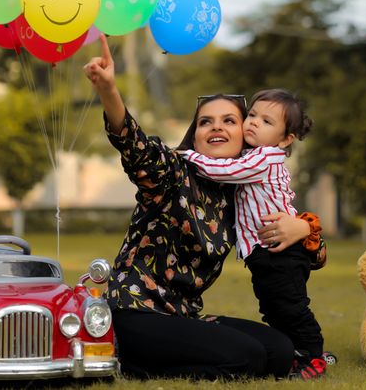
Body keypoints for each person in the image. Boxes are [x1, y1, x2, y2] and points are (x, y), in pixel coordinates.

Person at [83, 36, 324, 381]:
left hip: (182, 317)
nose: (217, 127)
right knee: (249, 357)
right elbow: (135, 146)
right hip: (138, 313)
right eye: (206, 121)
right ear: (194, 135)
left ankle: (170, 356)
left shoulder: (241, 193)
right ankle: (129, 362)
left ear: (246, 134)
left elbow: (310, 254)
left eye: (229, 121)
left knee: (281, 351)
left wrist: (306, 228)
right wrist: (109, 91)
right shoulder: (173, 173)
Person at [181, 88, 328, 380]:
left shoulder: (266, 158)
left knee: (291, 307)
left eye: (267, 121)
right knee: (273, 308)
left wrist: (189, 155)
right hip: (265, 255)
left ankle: (314, 355)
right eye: (252, 115)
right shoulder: (255, 155)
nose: (254, 123)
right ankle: (298, 352)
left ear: (286, 139)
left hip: (281, 252)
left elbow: (225, 171)